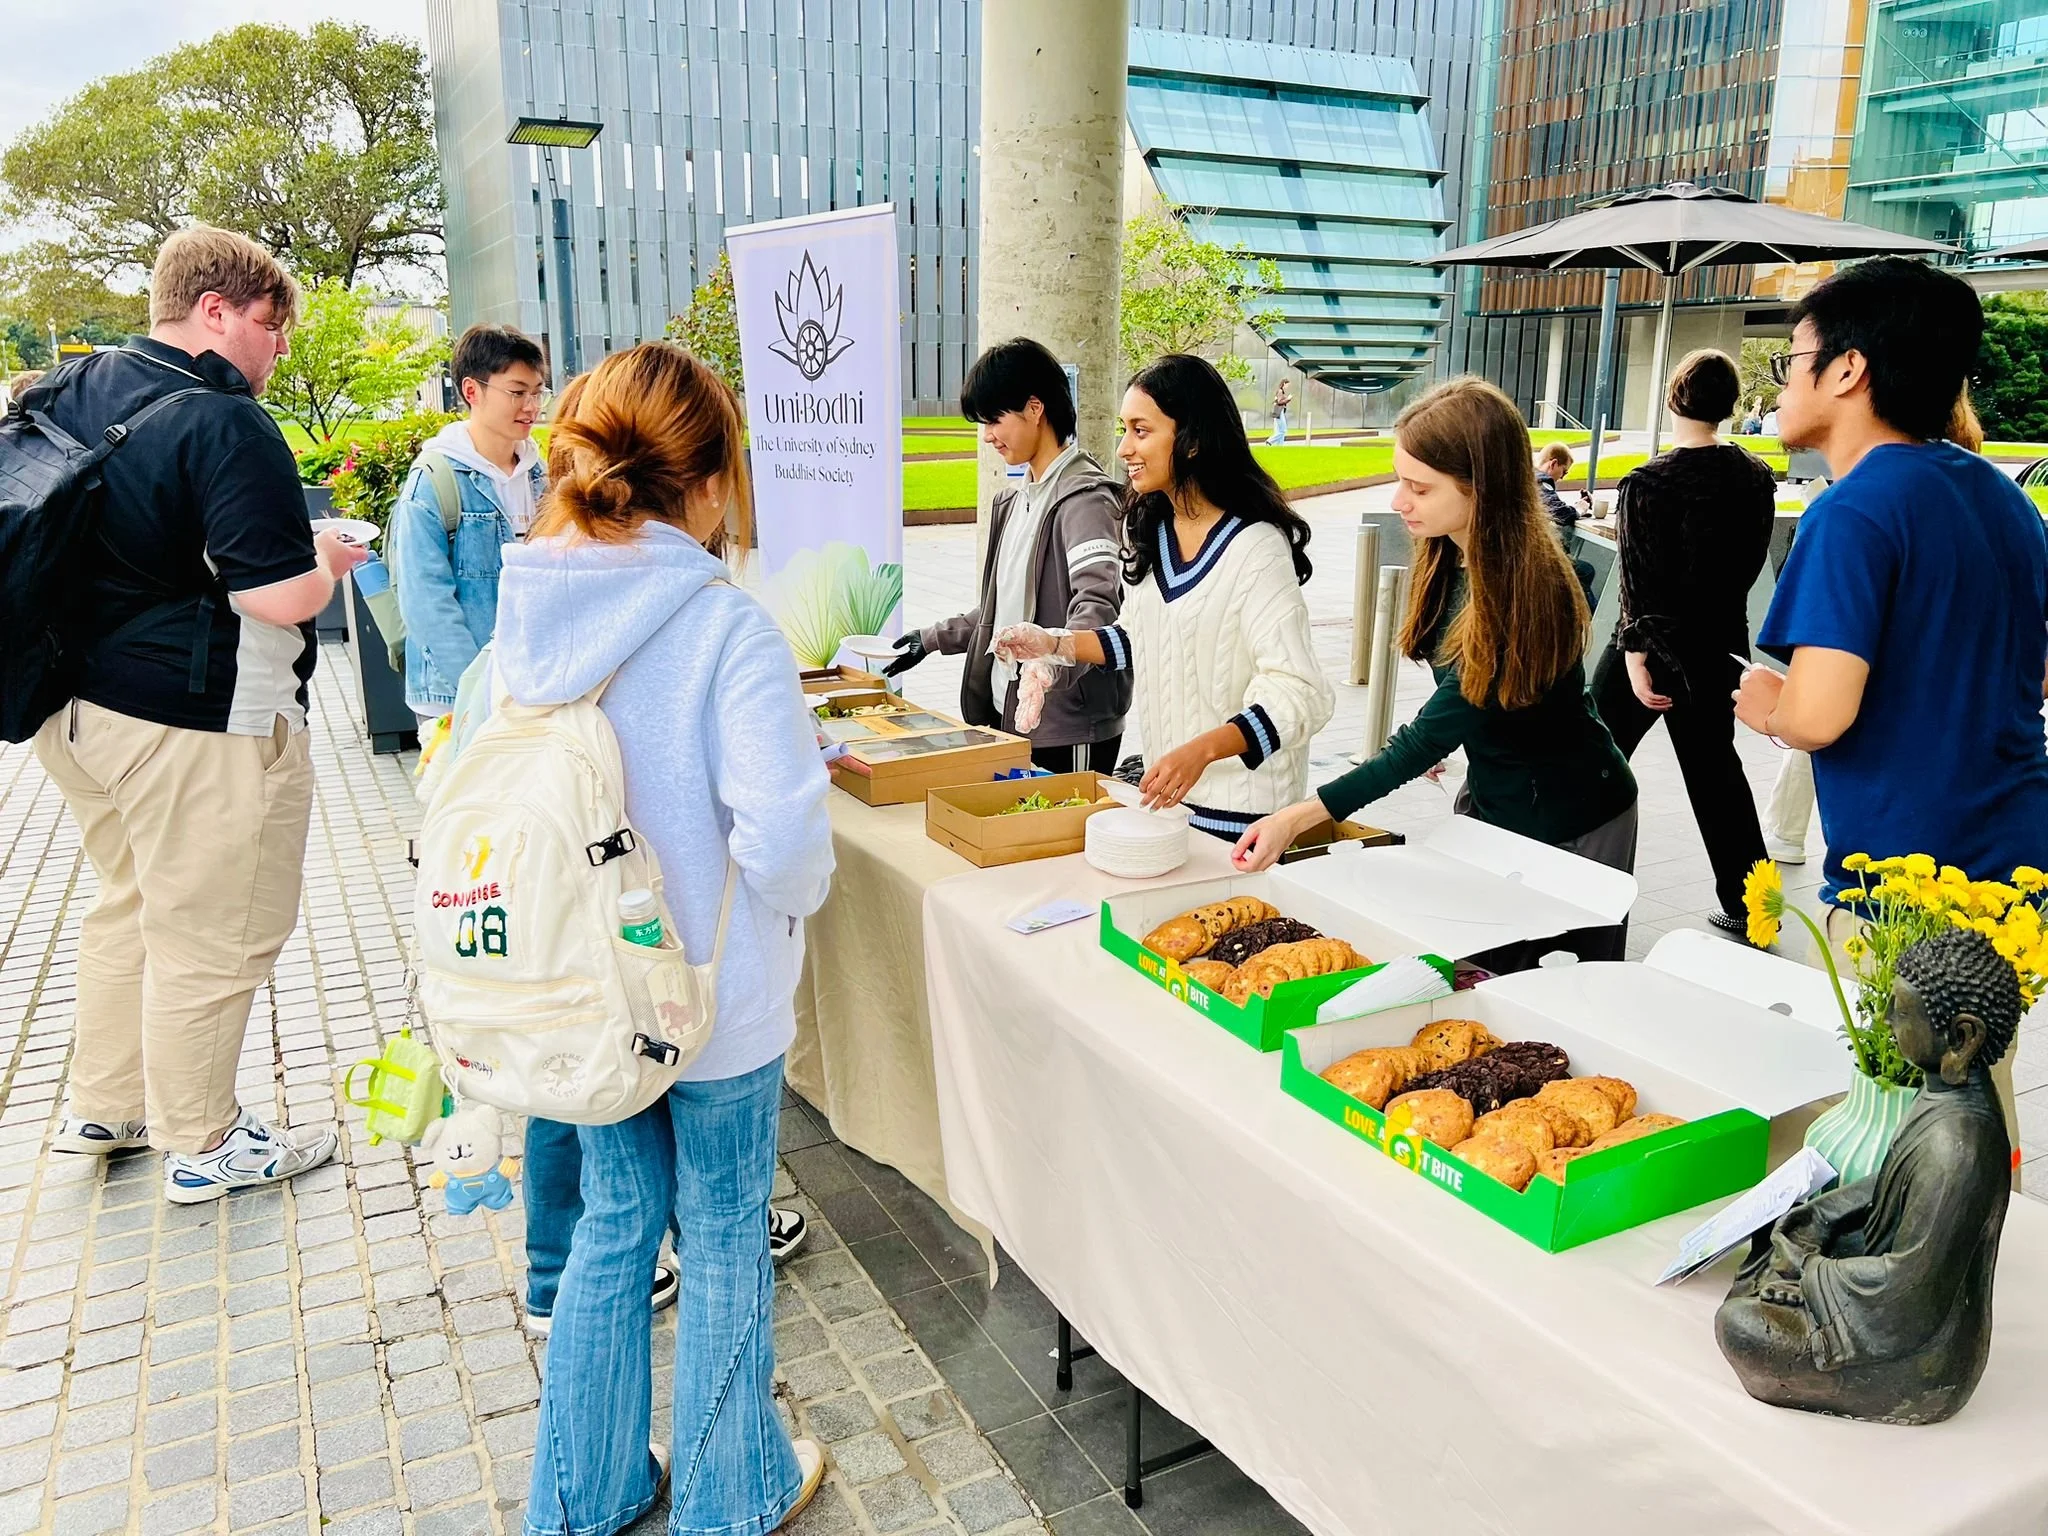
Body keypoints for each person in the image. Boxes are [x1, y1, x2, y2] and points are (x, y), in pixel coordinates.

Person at [495, 342, 832, 1535]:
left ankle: (584, 1495)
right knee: (729, 1228)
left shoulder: (526, 605)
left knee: (614, 1224)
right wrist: (795, 912)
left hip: (584, 991)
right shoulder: (720, 626)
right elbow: (782, 836)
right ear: (706, 481)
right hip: (714, 997)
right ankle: (729, 1495)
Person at [31, 225, 365, 1200]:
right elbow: (274, 598)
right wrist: (327, 563)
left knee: (132, 899)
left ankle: (109, 1104)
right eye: (272, 323)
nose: (280, 347)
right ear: (215, 311)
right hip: (186, 721)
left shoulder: (65, 389)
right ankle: (205, 1142)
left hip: (71, 712)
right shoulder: (226, 420)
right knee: (212, 936)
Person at [1735, 255, 2046, 1166]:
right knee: (1975, 1098)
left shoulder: (1856, 510)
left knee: (1902, 1124)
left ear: (1848, 370)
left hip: (1908, 887)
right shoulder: (2001, 496)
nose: (1784, 383)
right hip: (2012, 867)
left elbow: (1819, 716)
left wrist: (1766, 703)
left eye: (1793, 360)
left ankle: (1919, 1292)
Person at [1232, 378, 1638, 963]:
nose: (1399, 500)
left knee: (1546, 988)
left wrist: (1299, 816)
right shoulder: (1454, 551)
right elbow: (1464, 704)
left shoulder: (1526, 590)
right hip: (1500, 803)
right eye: (1401, 479)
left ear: (1482, 489)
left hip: (1575, 817)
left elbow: (1422, 740)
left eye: (1418, 487)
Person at [995, 353, 1334, 843]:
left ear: (1192, 440)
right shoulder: (1153, 532)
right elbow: (1138, 638)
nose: (1122, 448)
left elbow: (1300, 691)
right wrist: (1053, 644)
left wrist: (1202, 751)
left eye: (1140, 430)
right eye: (1124, 429)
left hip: (1245, 826)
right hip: (1168, 813)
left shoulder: (1256, 548)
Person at [1591, 349, 1777, 936]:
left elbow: (1638, 582)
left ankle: (1560, 875)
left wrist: (1635, 658)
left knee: (1591, 757)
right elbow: (1748, 565)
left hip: (1657, 645)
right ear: (1729, 406)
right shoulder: (1755, 476)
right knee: (1719, 778)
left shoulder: (1648, 482)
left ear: (1674, 398)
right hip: (1720, 645)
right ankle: (1758, 912)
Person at [884, 338, 1129, 772]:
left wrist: (1049, 667)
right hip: (1010, 717)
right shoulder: (1016, 501)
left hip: (1067, 727)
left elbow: (1097, 607)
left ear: (1035, 409)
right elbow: (1001, 612)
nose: (988, 436)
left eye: (994, 419)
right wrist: (930, 639)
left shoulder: (1085, 501)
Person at [392, 324, 549, 737]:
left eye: (537, 391)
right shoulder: (435, 479)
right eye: (517, 392)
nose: (531, 405)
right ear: (472, 391)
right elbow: (427, 605)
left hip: (528, 689)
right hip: (455, 697)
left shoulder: (539, 475)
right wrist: (479, 693)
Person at [1534, 441, 1597, 607]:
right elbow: (1559, 512)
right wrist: (1579, 509)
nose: (1562, 477)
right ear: (1553, 463)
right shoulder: (1541, 480)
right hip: (1538, 559)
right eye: (1564, 471)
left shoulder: (1527, 476)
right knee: (1585, 571)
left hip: (1529, 555)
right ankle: (1589, 622)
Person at [1268, 376, 1293, 445]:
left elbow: (1278, 401)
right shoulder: (1280, 391)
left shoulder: (1281, 391)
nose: (1288, 386)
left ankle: (1279, 446)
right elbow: (1279, 402)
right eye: (1287, 385)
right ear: (1284, 383)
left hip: (1277, 411)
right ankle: (1270, 441)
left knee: (1279, 430)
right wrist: (1288, 399)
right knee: (1283, 430)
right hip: (1278, 411)